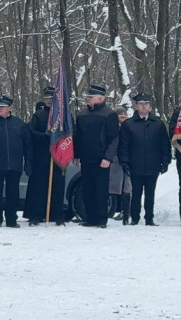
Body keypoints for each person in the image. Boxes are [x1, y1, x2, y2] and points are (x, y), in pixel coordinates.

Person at [117, 93, 171, 226]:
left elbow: (165, 144)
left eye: (146, 103)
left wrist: (165, 161)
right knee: (136, 193)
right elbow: (123, 146)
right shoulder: (128, 125)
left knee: (150, 193)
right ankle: (135, 218)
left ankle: (149, 218)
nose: (144, 106)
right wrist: (124, 162)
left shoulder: (158, 124)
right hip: (135, 164)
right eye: (141, 104)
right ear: (136, 106)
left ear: (150, 106)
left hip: (153, 164)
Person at [72, 85, 119, 228]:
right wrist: (76, 155)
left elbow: (114, 139)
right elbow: (78, 137)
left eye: (90, 97)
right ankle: (90, 218)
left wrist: (108, 158)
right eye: (88, 97)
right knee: (87, 189)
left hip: (101, 159)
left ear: (100, 98)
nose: (88, 99)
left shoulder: (109, 115)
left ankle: (101, 219)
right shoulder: (82, 114)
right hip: (86, 158)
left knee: (100, 190)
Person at [0, 96, 31, 227]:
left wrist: (28, 162)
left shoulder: (19, 124)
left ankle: (11, 219)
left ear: (9, 108)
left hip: (14, 164)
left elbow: (28, 145)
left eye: (3, 107)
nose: (0, 109)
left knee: (13, 193)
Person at [25, 86, 65, 224]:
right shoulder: (38, 115)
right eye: (47, 98)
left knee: (57, 186)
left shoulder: (63, 116)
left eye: (51, 98)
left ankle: (57, 215)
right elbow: (31, 132)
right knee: (39, 187)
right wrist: (45, 136)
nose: (49, 101)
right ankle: (37, 215)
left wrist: (58, 137)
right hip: (41, 155)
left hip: (58, 156)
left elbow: (71, 133)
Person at [107, 106, 131, 224]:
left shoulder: (130, 127)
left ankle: (126, 212)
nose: (123, 116)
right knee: (113, 187)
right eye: (120, 114)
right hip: (115, 160)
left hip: (127, 160)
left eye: (124, 114)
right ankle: (111, 210)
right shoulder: (112, 128)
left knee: (127, 187)